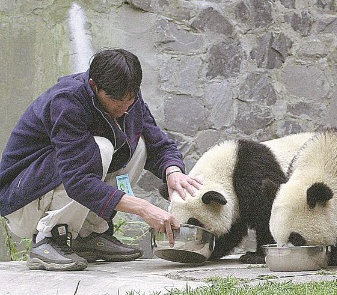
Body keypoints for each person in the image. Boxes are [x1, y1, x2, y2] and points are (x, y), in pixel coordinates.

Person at [0, 48, 202, 271]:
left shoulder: (129, 99)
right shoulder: (67, 101)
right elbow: (78, 181)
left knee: (140, 145)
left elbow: (158, 143)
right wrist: (144, 208)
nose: (123, 107)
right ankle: (48, 239)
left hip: (59, 183)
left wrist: (173, 172)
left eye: (130, 99)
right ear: (94, 86)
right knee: (101, 148)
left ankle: (90, 234)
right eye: (116, 100)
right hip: (24, 203)